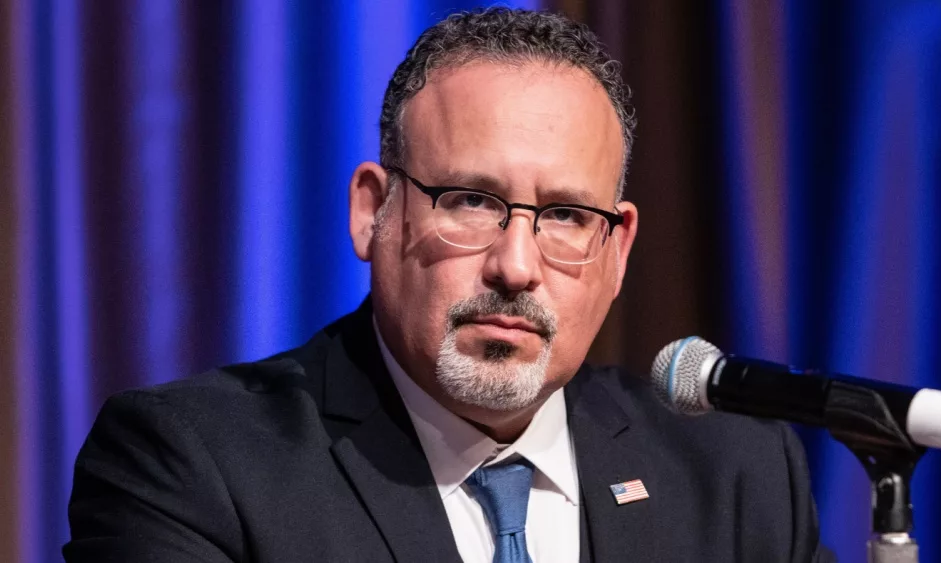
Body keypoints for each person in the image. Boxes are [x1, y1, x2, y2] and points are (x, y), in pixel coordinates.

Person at [65, 8, 834, 563]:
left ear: (617, 247)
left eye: (565, 214)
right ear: (374, 211)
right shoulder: (196, 465)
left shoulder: (738, 480)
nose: (517, 265)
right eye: (471, 201)